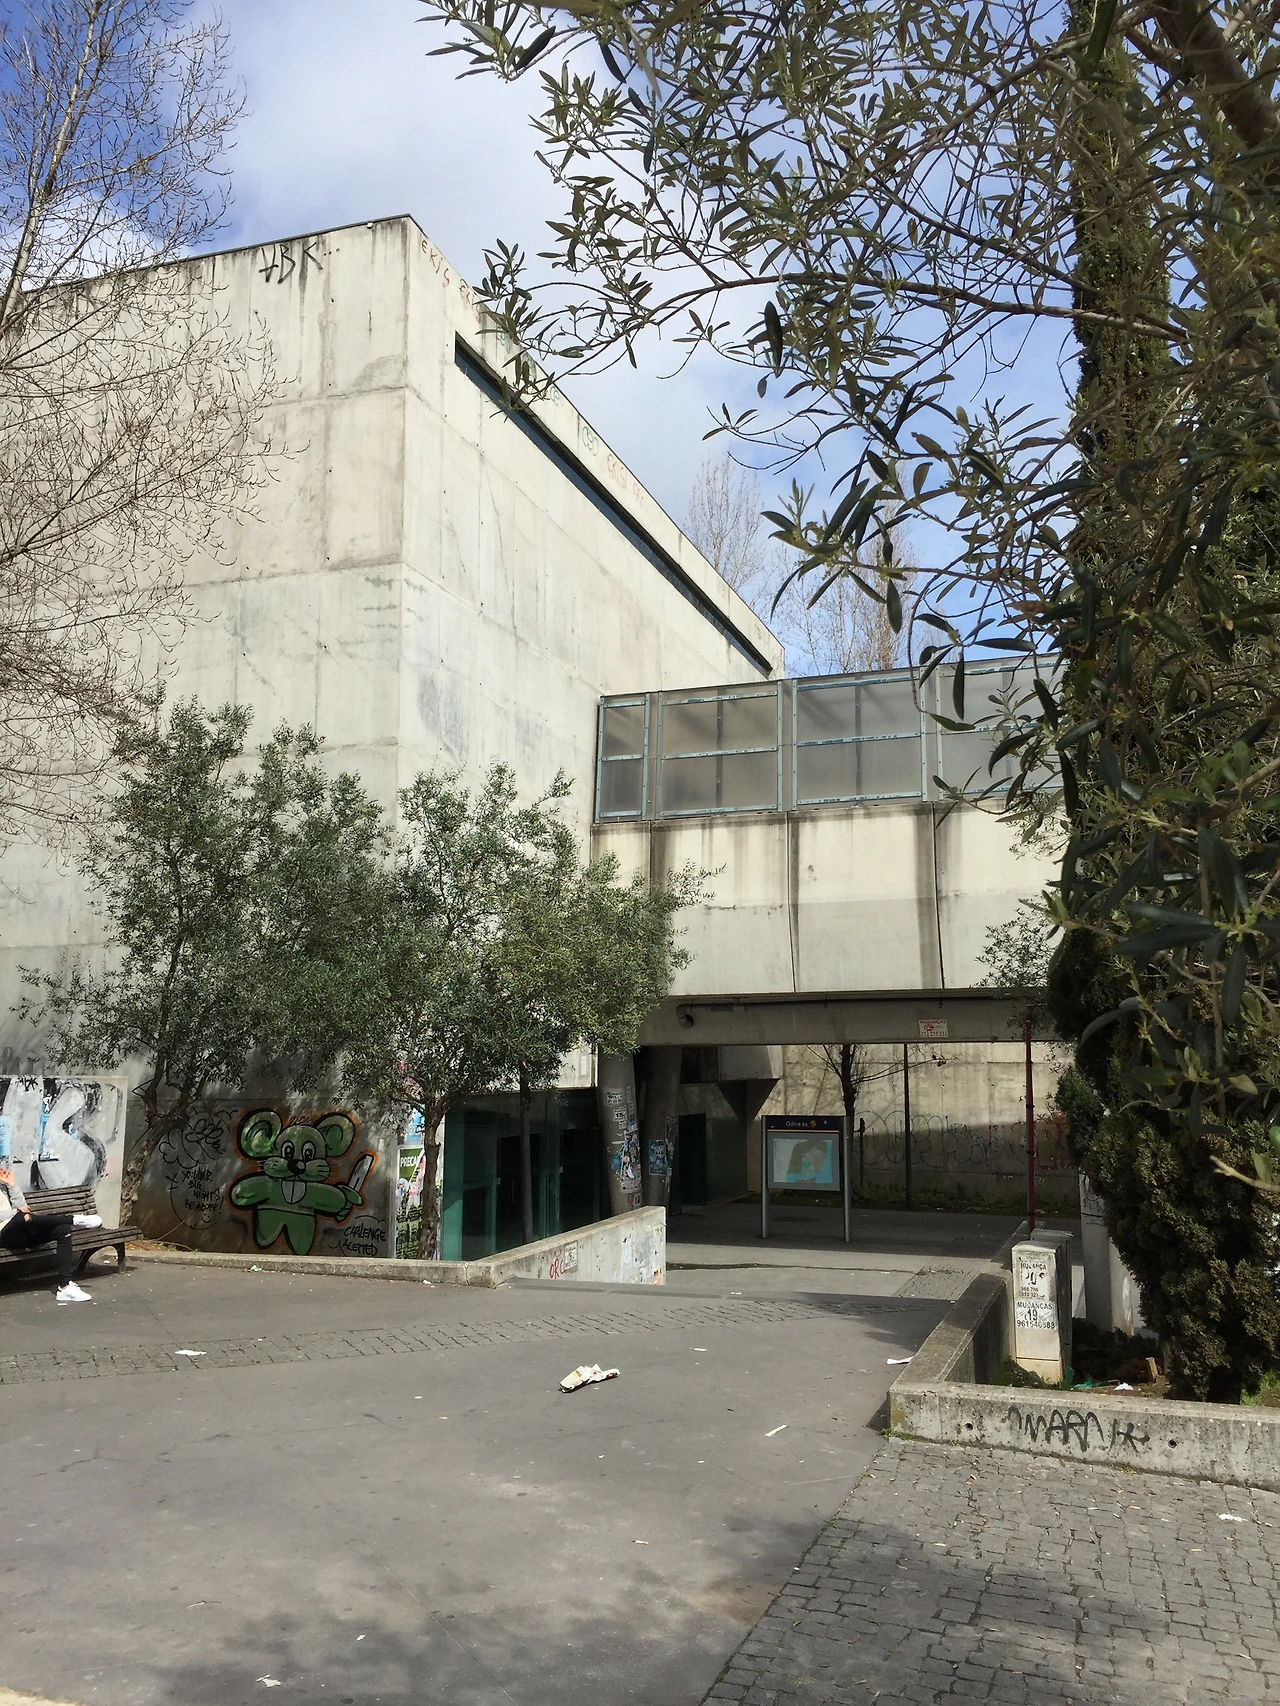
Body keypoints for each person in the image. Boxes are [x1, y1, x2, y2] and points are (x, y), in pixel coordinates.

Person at [0, 1164, 102, 1303]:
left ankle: (65, 1286)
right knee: (21, 1218)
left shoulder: (3, 1187)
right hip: (4, 1236)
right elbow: (18, 1212)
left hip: (23, 1232)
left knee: (63, 1230)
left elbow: (22, 1207)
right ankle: (73, 1219)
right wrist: (17, 1213)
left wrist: (11, 1185)